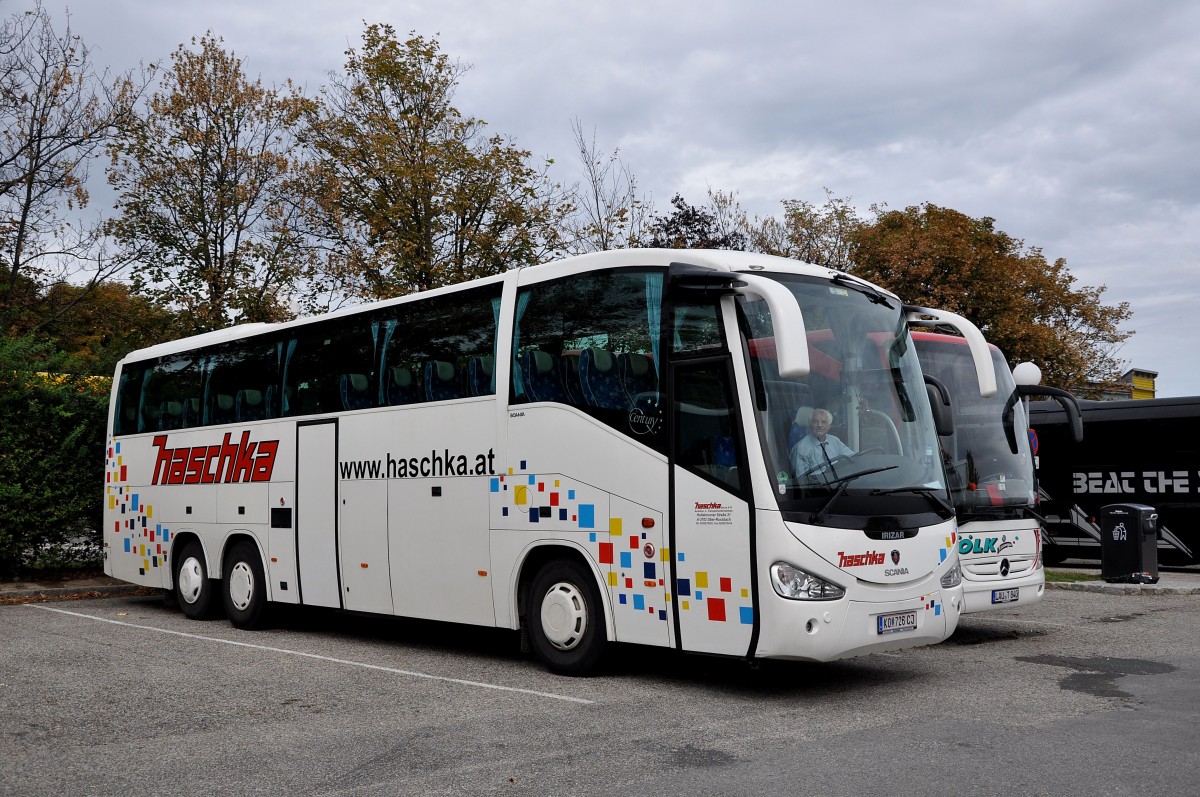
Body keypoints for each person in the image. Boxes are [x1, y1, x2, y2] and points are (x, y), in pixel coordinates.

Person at [790, 408, 854, 477]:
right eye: (815, 421)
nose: (819, 425)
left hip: (838, 482)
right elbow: (801, 479)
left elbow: (852, 458)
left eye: (823, 422)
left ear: (829, 426)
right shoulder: (800, 448)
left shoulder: (834, 440)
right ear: (810, 425)